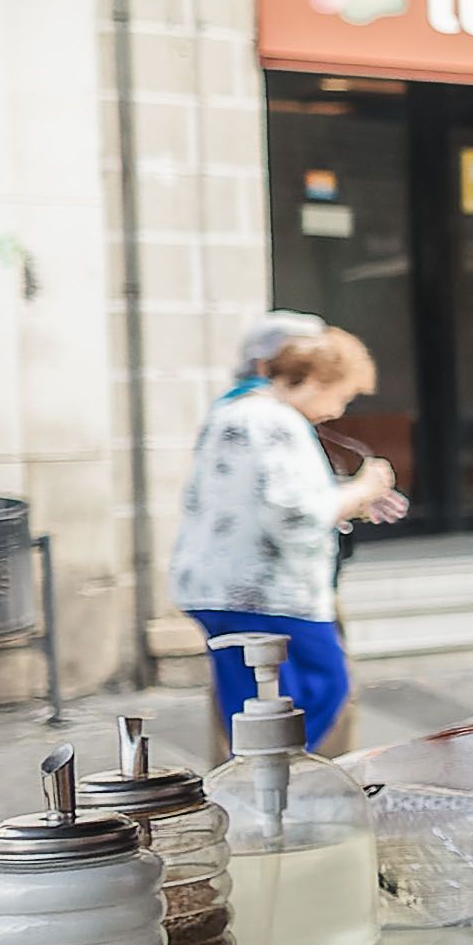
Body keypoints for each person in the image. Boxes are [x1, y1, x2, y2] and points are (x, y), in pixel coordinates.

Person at [173, 320, 408, 752]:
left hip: (221, 588)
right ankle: (275, 795)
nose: (339, 409)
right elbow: (296, 515)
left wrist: (348, 498)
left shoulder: (235, 412)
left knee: (252, 707)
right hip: (267, 595)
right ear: (315, 380)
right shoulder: (274, 421)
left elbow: (262, 504)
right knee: (320, 691)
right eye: (342, 394)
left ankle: (263, 794)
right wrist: (362, 488)